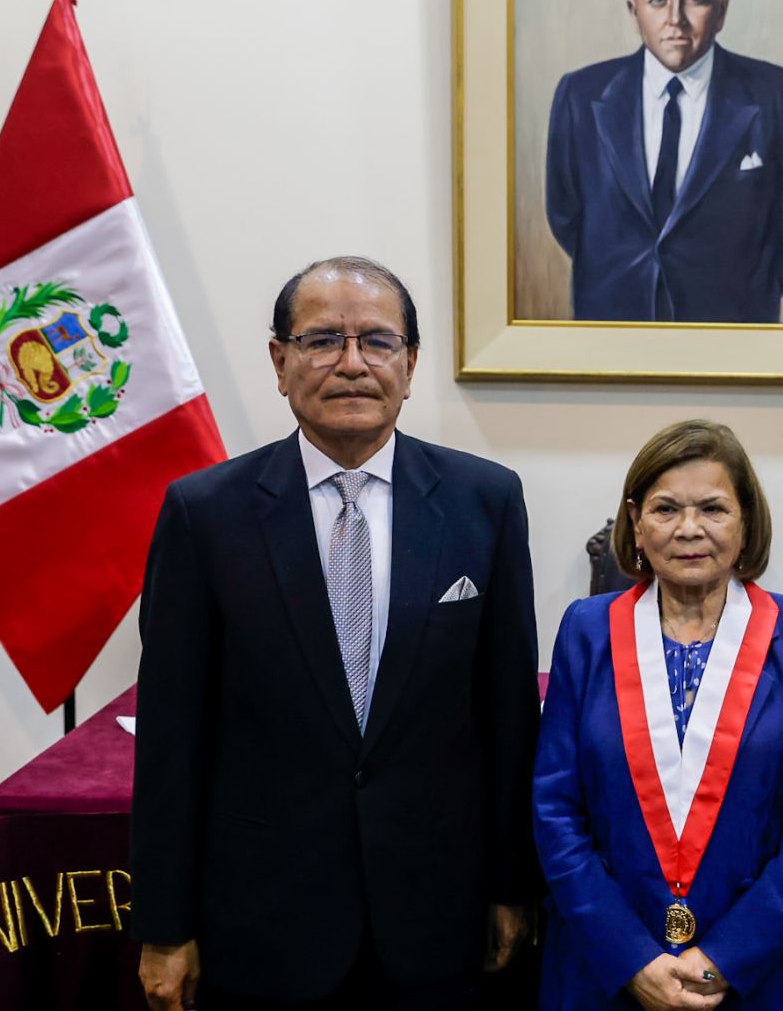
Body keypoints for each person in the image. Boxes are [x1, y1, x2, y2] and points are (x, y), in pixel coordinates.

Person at [131, 257, 539, 1009]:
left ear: (411, 365)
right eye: (322, 340)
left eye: (378, 342)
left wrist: (513, 887)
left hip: (435, 913)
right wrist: (164, 926)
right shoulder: (204, 514)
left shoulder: (487, 502)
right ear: (280, 362)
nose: (352, 363)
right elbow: (170, 735)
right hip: (262, 920)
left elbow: (508, 718)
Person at [534, 420, 783, 1008]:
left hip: (769, 973)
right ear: (635, 521)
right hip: (608, 973)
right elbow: (556, 810)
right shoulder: (586, 630)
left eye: (713, 508)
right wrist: (633, 960)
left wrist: (725, 959)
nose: (689, 529)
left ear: (746, 523)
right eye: (665, 509)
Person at [545, 0, 783, 323]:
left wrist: (742, 285)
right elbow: (566, 215)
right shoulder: (580, 95)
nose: (675, 18)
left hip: (732, 331)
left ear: (721, 9)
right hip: (610, 328)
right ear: (634, 9)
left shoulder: (781, 98)